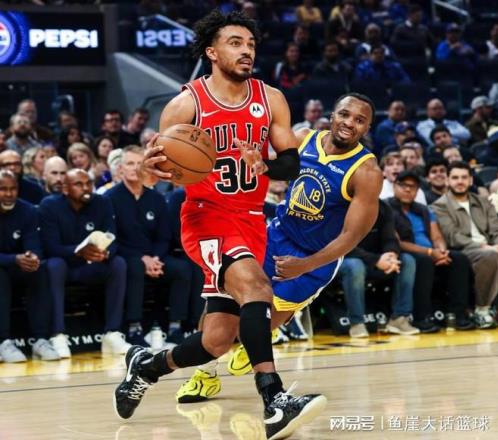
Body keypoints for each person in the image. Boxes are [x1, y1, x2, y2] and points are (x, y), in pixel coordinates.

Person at [113, 10, 325, 440]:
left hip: (251, 219)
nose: (246, 51)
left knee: (217, 340)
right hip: (206, 216)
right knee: (258, 289)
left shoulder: (270, 98)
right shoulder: (185, 104)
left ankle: (147, 366)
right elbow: (163, 170)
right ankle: (274, 400)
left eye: (250, 44)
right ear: (211, 52)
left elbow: (291, 163)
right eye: (235, 43)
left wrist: (264, 163)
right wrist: (158, 168)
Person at [174, 93, 382, 404]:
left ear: (367, 128)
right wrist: (259, 164)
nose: (349, 123)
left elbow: (352, 236)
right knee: (225, 302)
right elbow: (273, 167)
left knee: (254, 329)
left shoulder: (367, 172)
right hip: (274, 236)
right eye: (344, 114)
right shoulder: (304, 138)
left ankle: (259, 340)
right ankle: (205, 375)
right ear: (332, 115)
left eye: (359, 120)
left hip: (314, 259)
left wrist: (306, 265)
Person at [106, 146, 194, 346]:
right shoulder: (109, 198)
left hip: (155, 257)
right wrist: (142, 259)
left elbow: (164, 237)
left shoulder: (156, 198)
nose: (135, 168)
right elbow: (112, 238)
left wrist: (155, 258)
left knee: (182, 268)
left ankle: (175, 327)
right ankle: (134, 328)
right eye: (130, 163)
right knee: (135, 266)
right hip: (126, 255)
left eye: (140, 163)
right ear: (120, 168)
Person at [39, 169, 129, 357]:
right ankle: (58, 334)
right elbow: (49, 247)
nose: (86, 188)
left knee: (118, 263)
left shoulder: (102, 202)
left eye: (88, 183)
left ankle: (112, 333)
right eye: (79, 184)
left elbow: (113, 237)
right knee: (54, 265)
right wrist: (78, 251)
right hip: (67, 266)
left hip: (94, 264)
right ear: (65, 188)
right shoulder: (49, 205)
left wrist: (105, 253)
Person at [388, 170, 474, 332]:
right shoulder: (386, 208)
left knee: (460, 259)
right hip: (405, 253)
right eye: (403, 185)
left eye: (413, 186)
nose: (408, 189)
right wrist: (429, 253)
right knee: (424, 261)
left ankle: (458, 314)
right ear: (394, 187)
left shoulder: (423, 209)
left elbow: (437, 236)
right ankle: (422, 317)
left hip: (431, 253)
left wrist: (441, 252)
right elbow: (396, 242)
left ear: (417, 190)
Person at [0, 170, 60, 362]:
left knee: (39, 270)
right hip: (6, 265)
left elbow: (34, 245)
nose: (9, 194)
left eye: (13, 189)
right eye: (3, 189)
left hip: (17, 264)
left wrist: (32, 258)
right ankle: (3, 341)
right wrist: (14, 259)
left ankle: (41, 340)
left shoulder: (27, 210)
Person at [432, 161, 498, 329]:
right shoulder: (439, 206)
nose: (460, 181)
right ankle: (482, 310)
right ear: (447, 180)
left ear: (471, 180)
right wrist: (484, 247)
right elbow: (453, 237)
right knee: (490, 256)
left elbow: (496, 230)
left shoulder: (484, 202)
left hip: (491, 248)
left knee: (493, 253)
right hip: (462, 251)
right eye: (455, 178)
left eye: (464, 177)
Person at [339, 199, 418, 338]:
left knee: (407, 261)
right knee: (354, 266)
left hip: (376, 260)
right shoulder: (339, 206)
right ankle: (356, 323)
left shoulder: (383, 207)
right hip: (342, 260)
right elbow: (341, 246)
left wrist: (391, 255)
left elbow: (390, 238)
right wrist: (375, 260)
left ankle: (399, 319)